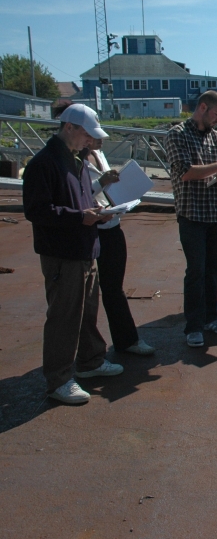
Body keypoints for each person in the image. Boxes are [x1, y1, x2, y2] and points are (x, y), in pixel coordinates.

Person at [23, 103, 123, 404]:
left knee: (86, 310)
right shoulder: (45, 163)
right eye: (86, 135)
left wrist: (96, 213)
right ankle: (59, 379)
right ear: (69, 128)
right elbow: (37, 211)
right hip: (62, 253)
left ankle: (90, 361)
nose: (90, 141)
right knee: (64, 316)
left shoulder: (75, 160)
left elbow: (80, 201)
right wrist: (81, 217)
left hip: (83, 248)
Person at [164, 91, 217, 348]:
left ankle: (211, 318)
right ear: (203, 107)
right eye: (216, 114)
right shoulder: (177, 134)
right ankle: (193, 326)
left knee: (213, 271)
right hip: (192, 215)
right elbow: (185, 172)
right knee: (196, 271)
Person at [85, 135, 156, 356]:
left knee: (114, 287)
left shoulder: (99, 154)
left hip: (111, 225)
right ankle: (88, 353)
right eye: (95, 136)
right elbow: (78, 194)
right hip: (89, 230)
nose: (101, 140)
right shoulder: (72, 161)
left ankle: (126, 340)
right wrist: (101, 183)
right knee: (85, 294)